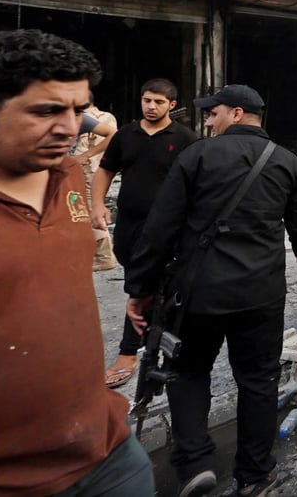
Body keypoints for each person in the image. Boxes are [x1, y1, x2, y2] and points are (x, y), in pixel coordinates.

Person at [0, 29, 154, 496]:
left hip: (106, 452)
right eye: (47, 110)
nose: (70, 129)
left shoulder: (67, 173)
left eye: (78, 110)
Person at [124, 84, 297, 497]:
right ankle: (254, 475)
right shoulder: (288, 162)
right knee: (258, 381)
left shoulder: (195, 156)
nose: (207, 122)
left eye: (212, 114)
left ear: (236, 114)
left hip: (198, 294)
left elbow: (160, 228)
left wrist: (139, 287)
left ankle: (195, 463)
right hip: (261, 294)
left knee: (188, 374)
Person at [92, 78, 199, 389]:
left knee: (145, 285)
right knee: (141, 282)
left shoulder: (185, 139)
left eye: (159, 102)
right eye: (147, 100)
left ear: (172, 105)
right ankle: (152, 342)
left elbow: (197, 183)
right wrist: (97, 205)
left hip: (168, 229)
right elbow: (105, 170)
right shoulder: (126, 135)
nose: (151, 107)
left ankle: (130, 352)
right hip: (129, 225)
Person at [72, 96, 119, 271]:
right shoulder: (107, 117)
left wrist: (84, 157)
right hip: (100, 168)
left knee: (90, 208)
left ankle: (104, 256)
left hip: (89, 170)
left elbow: (82, 149)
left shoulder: (84, 119)